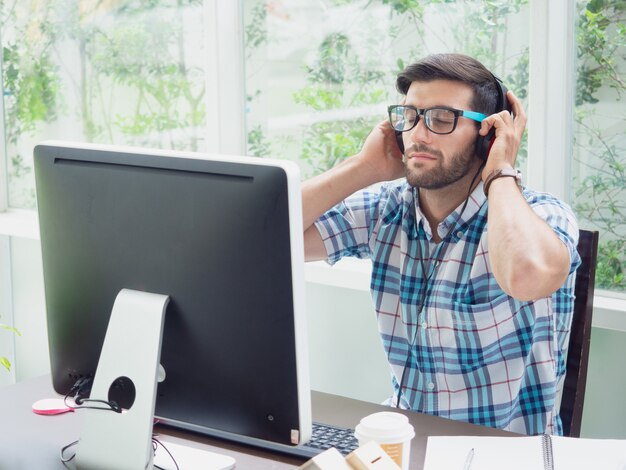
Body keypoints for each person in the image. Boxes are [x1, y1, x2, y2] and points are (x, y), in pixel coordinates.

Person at [302, 53, 580, 435]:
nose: (418, 134)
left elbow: (527, 276)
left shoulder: (543, 216)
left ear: (489, 135)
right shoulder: (387, 208)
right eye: (410, 117)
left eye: (441, 118)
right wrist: (362, 168)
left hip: (505, 454)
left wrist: (499, 170)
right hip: (406, 440)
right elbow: (263, 235)